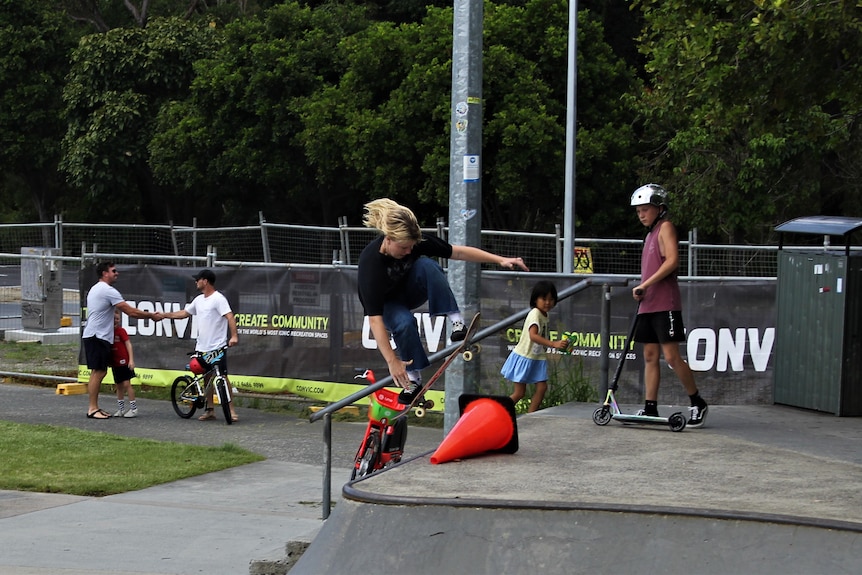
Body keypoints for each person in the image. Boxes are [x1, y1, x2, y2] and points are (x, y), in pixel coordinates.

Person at [358, 198, 530, 403]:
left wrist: (499, 259)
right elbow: (375, 320)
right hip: (387, 305)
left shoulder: (415, 243)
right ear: (388, 239)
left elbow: (457, 252)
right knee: (404, 323)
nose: (408, 252)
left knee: (427, 265)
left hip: (409, 290)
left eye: (411, 247)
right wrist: (392, 361)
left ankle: (456, 321)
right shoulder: (370, 266)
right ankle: (414, 380)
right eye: (404, 248)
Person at [630, 184, 708, 428]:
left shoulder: (666, 228)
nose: (641, 214)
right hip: (648, 304)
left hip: (665, 303)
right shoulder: (649, 234)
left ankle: (697, 402)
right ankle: (650, 407)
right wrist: (644, 289)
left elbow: (672, 261)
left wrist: (646, 284)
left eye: (645, 210)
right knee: (650, 356)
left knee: (672, 356)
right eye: (638, 211)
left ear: (659, 208)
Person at [156, 269, 239, 422]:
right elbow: (184, 313)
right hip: (202, 348)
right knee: (207, 378)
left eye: (198, 279)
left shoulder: (218, 299)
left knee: (223, 377)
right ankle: (210, 410)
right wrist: (164, 315)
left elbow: (230, 316)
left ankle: (231, 410)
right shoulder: (198, 300)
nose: (196, 282)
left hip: (218, 347)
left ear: (205, 281)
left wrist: (234, 336)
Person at [82, 262, 157, 419]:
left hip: (96, 336)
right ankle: (92, 408)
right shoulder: (107, 290)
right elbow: (130, 311)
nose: (117, 273)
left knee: (98, 371)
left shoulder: (97, 289)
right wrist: (151, 316)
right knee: (99, 371)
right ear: (105, 273)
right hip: (97, 336)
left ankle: (94, 407)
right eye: (113, 271)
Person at [502, 280, 568, 413]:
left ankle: (531, 415)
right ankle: (500, 411)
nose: (547, 302)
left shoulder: (544, 315)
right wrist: (553, 344)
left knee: (542, 387)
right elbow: (533, 335)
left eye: (551, 299)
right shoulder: (535, 314)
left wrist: (558, 345)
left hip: (536, 357)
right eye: (544, 299)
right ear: (535, 299)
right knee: (519, 393)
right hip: (525, 356)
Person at [111, 310, 138, 418]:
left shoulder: (121, 331)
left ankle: (133, 408)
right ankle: (121, 409)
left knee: (127, 384)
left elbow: (128, 344)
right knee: (119, 386)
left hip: (124, 362)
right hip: (115, 363)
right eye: (113, 319)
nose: (115, 321)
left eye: (117, 319)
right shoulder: (107, 331)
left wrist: (131, 360)